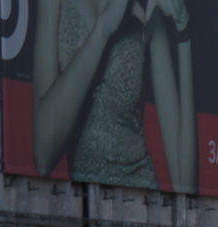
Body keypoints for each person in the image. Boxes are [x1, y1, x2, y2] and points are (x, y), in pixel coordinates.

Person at [33, 0, 197, 193]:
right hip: (84, 211)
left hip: (138, 205)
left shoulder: (148, 12)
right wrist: (104, 28)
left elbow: (184, 182)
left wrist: (183, 27)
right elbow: (43, 157)